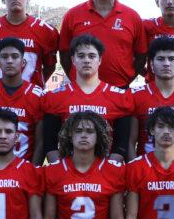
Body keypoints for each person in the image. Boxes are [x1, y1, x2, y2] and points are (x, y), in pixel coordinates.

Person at [41, 111, 125, 219]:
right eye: (78, 131)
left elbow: (117, 217)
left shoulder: (113, 171)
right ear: (69, 136)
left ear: (99, 136)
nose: (84, 135)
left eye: (89, 131)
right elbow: (48, 218)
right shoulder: (54, 171)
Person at [42, 34, 135, 164]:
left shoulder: (119, 97)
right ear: (73, 60)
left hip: (106, 170)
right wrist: (63, 170)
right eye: (81, 56)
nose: (86, 60)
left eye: (92, 56)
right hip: (68, 169)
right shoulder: (55, 97)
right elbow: (50, 145)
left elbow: (121, 146)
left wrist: (107, 170)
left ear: (100, 60)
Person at [58, 0, 147, 88]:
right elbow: (64, 55)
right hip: (82, 90)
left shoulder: (132, 17)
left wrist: (127, 80)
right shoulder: (72, 15)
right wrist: (75, 78)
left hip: (119, 90)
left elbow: (141, 56)